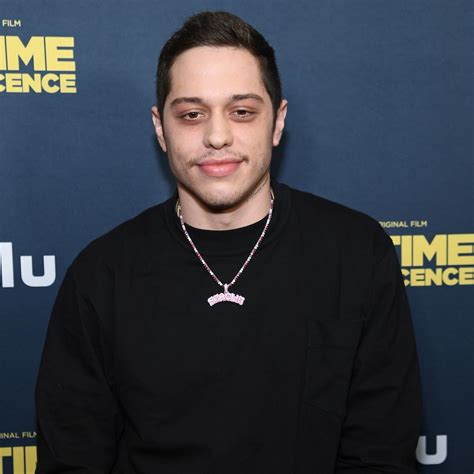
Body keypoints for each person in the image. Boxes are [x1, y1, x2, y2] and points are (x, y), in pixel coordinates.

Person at [35, 10, 422, 473]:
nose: (217, 136)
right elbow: (72, 460)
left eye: (241, 112)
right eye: (192, 114)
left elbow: (381, 454)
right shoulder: (101, 276)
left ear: (277, 122)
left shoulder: (357, 253)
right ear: (161, 129)